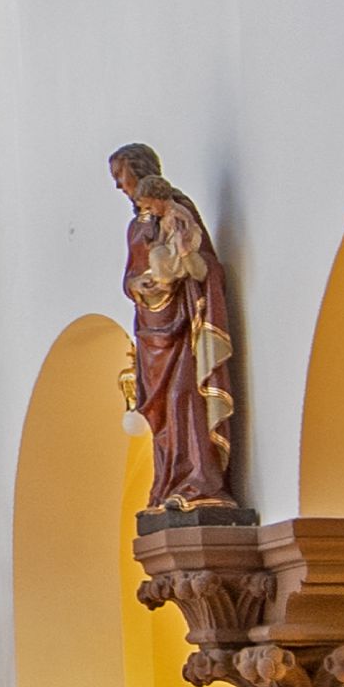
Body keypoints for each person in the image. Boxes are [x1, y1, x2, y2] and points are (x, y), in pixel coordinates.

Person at [107, 144, 238, 505]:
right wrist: (136, 285)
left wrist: (181, 270)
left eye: (121, 175)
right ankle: (169, 482)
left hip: (181, 323)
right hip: (151, 328)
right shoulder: (136, 226)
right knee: (162, 410)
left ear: (141, 170)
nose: (119, 186)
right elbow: (130, 274)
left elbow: (204, 261)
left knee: (184, 396)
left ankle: (200, 479)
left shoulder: (178, 211)